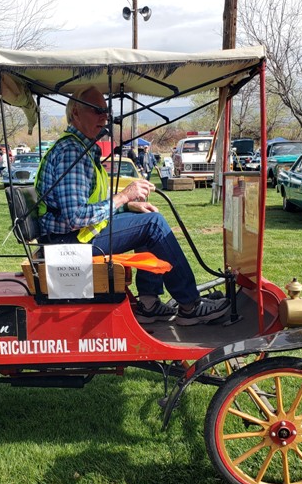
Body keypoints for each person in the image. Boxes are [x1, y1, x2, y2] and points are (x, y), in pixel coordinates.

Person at [35, 86, 229, 326]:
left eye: (106, 111)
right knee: (153, 225)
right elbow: (75, 217)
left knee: (147, 220)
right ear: (75, 113)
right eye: (97, 111)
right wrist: (124, 197)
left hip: (71, 238)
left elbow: (87, 206)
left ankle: (149, 304)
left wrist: (127, 208)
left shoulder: (79, 149)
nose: (104, 117)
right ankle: (190, 305)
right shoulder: (71, 152)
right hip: (69, 245)